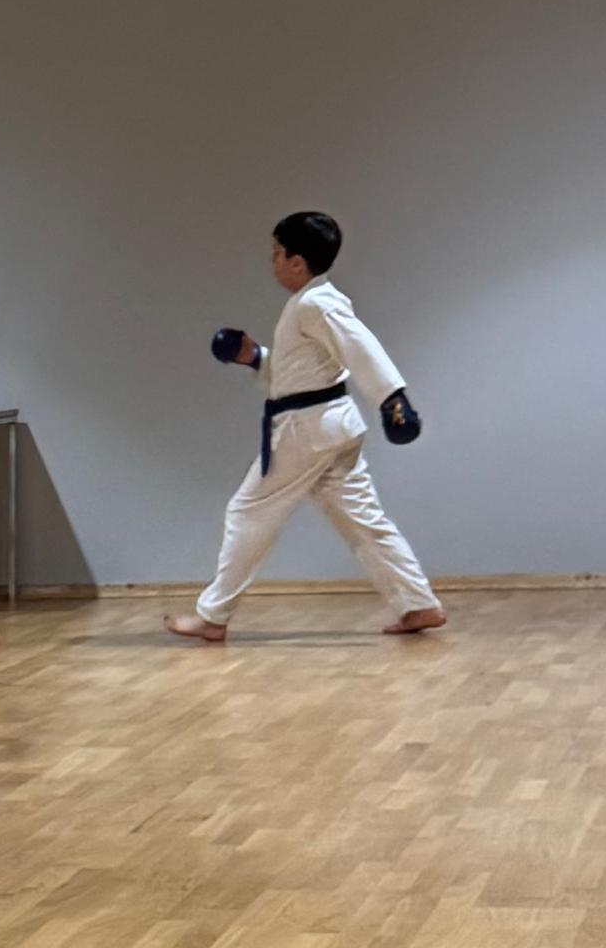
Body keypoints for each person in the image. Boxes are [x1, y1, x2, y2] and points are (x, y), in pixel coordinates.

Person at [169, 208, 447, 647]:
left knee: (248, 512)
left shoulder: (317, 303)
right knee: (363, 522)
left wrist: (393, 398)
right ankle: (417, 604)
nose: (273, 261)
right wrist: (253, 357)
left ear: (297, 262)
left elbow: (360, 347)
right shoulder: (309, 303)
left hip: (307, 432)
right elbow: (303, 371)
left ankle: (213, 616)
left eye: (277, 254)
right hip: (331, 428)